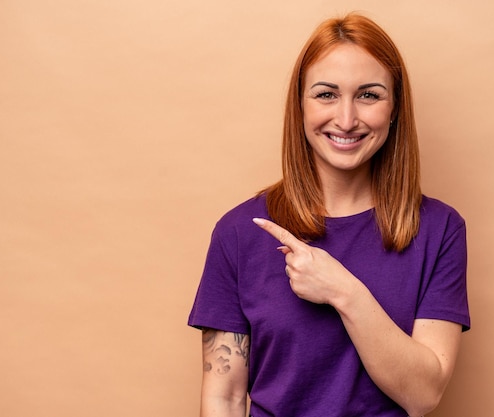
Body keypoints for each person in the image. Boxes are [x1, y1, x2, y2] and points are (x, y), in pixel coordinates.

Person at [188, 12, 470, 417]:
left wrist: (343, 291)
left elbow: (423, 396)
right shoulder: (238, 233)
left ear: (394, 109)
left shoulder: (439, 230)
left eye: (369, 95)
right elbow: (224, 398)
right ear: (300, 104)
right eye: (326, 94)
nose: (346, 119)